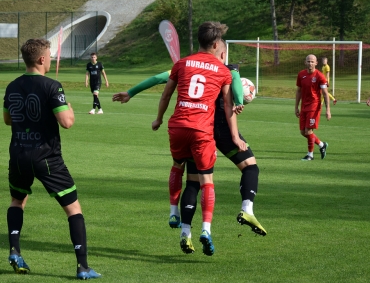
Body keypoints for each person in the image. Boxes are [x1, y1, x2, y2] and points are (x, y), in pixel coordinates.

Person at [112, 64, 267, 253]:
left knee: (193, 181)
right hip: (219, 126)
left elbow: (158, 78)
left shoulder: (187, 66)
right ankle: (247, 209)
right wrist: (240, 100)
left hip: (197, 127)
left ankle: (185, 231)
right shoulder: (225, 68)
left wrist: (131, 92)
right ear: (218, 49)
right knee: (250, 167)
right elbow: (234, 79)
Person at [3, 39, 101, 279]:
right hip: (46, 157)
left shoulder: (12, 86)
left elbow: (7, 120)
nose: (52, 59)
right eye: (50, 55)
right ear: (42, 59)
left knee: (17, 201)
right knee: (73, 208)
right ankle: (83, 267)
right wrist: (68, 107)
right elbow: (66, 122)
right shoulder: (52, 86)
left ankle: (15, 251)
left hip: (17, 153)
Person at [151, 21, 247, 256]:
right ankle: (205, 229)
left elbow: (165, 95)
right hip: (202, 130)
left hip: (177, 126)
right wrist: (234, 136)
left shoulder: (181, 64)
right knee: (206, 181)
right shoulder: (223, 71)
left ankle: (174, 211)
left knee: (177, 166)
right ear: (216, 44)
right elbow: (227, 106)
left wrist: (159, 119)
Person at [295, 54, 331, 161]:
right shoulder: (301, 74)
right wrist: (296, 107)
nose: (310, 63)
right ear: (305, 62)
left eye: (312, 61)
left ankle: (310, 155)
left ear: (316, 63)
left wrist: (328, 109)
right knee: (303, 132)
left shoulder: (320, 76)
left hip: (314, 106)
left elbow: (325, 93)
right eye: (308, 61)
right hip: (304, 106)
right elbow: (298, 91)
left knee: (308, 131)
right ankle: (321, 145)